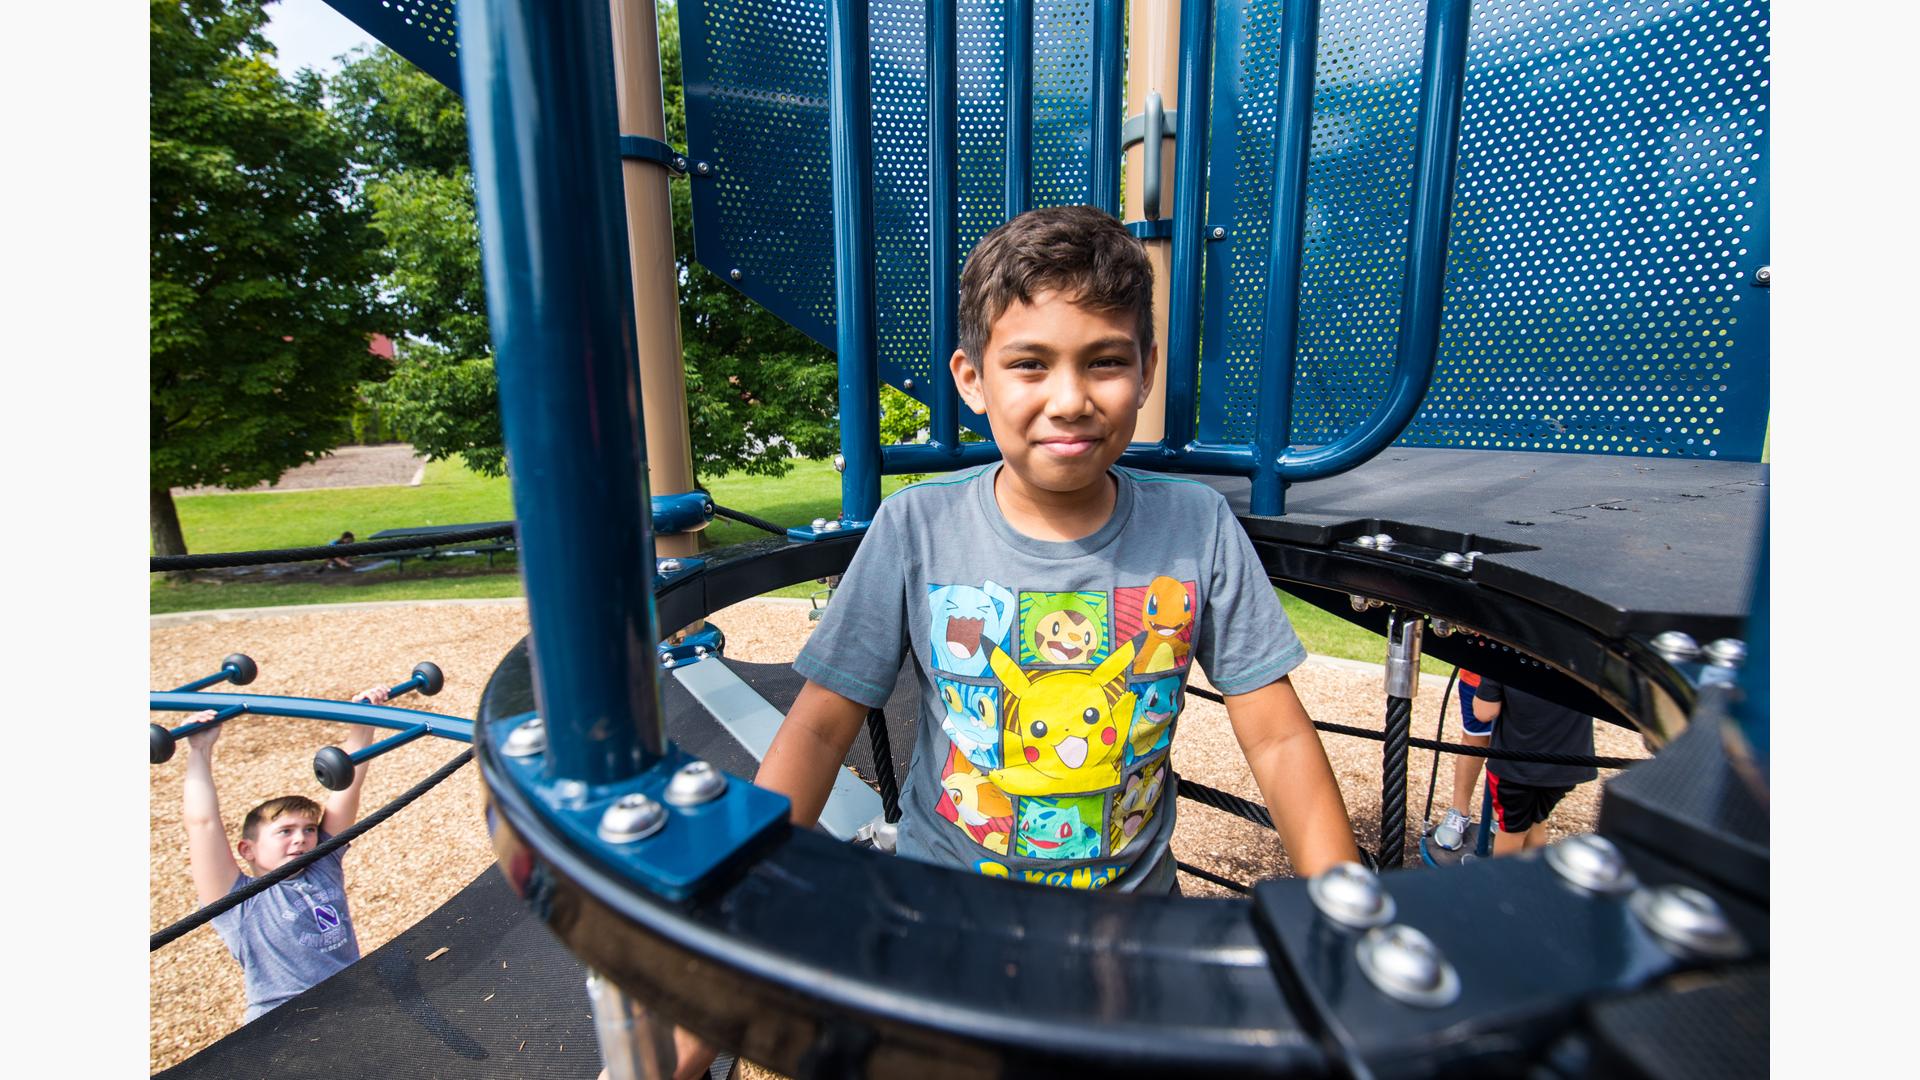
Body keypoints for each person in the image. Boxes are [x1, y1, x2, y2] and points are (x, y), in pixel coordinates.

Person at [655, 204, 1361, 1080]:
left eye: (1105, 361)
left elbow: (1279, 735)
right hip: (947, 916)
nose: (1070, 398)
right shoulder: (921, 526)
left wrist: (1344, 910)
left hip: (1129, 927)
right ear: (973, 377)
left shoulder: (1197, 528)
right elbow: (819, 724)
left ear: (1145, 373)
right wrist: (742, 891)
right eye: (1030, 363)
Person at [179, 685, 389, 1022]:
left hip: (352, 1008)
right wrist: (200, 750)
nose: (302, 839)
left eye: (308, 830)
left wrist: (363, 721)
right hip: (282, 1022)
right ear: (247, 849)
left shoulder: (322, 865)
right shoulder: (238, 901)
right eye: (285, 831)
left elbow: (347, 784)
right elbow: (202, 824)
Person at [1470, 676, 1599, 855]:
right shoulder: (1584, 658)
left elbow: (1484, 712)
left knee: (1512, 831)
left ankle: (1503, 882)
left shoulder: (1510, 656)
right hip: (1566, 765)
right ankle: (1533, 878)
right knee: (1537, 823)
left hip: (1516, 767)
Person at [1430, 669, 1489, 851]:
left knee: (1511, 746)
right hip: (1479, 676)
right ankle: (1459, 811)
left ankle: (1500, 814)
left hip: (1523, 681)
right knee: (1474, 741)